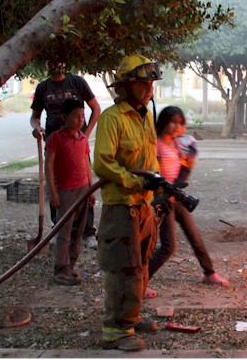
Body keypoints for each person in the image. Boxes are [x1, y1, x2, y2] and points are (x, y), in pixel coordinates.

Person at [93, 54, 164, 351]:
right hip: (121, 206)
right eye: (142, 83)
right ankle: (115, 330)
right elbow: (102, 163)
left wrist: (158, 186)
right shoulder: (112, 118)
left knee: (142, 264)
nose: (149, 89)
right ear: (125, 86)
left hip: (143, 205)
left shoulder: (146, 115)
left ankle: (130, 319)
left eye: (150, 83)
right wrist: (135, 181)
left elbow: (151, 157)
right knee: (124, 267)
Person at [145, 106, 227, 299]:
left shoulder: (179, 144)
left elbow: (185, 169)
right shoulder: (154, 145)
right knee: (168, 246)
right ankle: (140, 282)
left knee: (194, 236)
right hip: (162, 201)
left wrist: (177, 187)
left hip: (176, 198)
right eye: (173, 121)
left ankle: (209, 273)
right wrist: (165, 193)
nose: (176, 126)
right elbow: (152, 173)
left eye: (180, 123)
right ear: (163, 121)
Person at [31, 59, 101, 249]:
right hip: (54, 143)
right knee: (57, 185)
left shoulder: (77, 82)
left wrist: (85, 135)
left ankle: (87, 232)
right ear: (46, 65)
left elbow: (96, 109)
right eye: (51, 63)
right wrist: (36, 128)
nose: (55, 66)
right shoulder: (43, 88)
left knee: (83, 182)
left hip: (78, 144)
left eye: (60, 62)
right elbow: (35, 116)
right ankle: (58, 228)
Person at [44, 99, 96, 286]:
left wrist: (91, 188)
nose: (81, 120)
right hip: (65, 192)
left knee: (79, 231)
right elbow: (48, 165)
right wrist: (53, 193)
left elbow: (86, 164)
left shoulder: (82, 138)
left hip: (82, 190)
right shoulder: (55, 139)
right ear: (65, 117)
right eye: (76, 116)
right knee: (64, 232)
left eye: (82, 116)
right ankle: (60, 270)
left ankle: (71, 266)